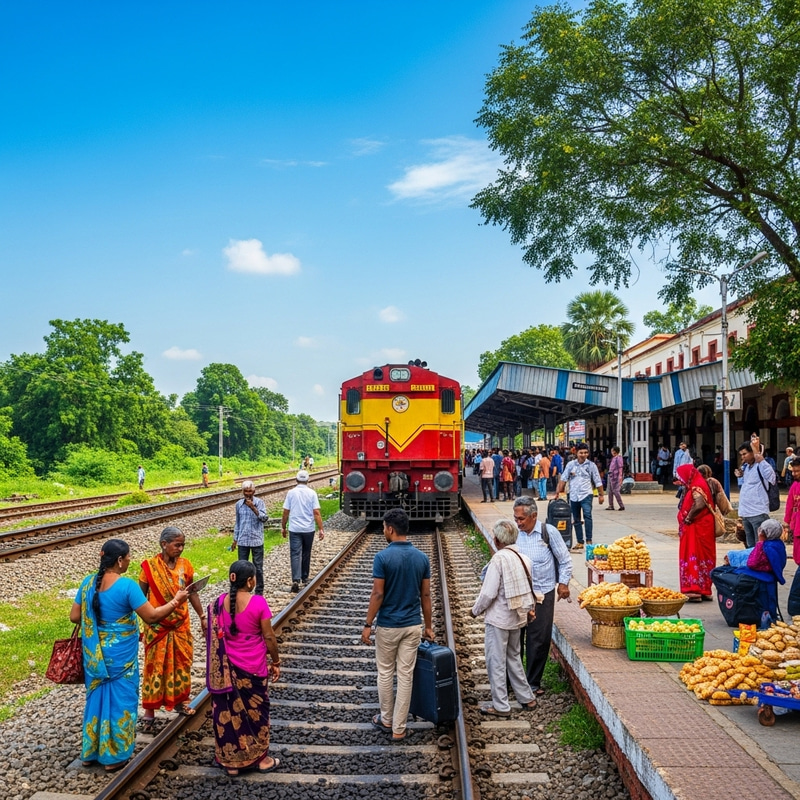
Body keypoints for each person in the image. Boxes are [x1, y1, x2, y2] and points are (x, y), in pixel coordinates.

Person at [70, 539, 189, 771]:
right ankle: (114, 757)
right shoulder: (127, 587)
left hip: (94, 656)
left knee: (96, 700)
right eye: (127, 557)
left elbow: (75, 617)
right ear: (119, 560)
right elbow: (152, 616)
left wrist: (98, 622)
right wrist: (176, 601)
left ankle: (90, 752)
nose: (129, 561)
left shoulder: (87, 583)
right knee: (120, 701)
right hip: (120, 656)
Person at [361, 508, 433, 742]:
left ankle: (386, 719)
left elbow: (377, 594)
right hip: (412, 626)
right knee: (405, 675)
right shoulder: (422, 558)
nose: (384, 531)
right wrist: (428, 626)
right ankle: (399, 728)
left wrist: (368, 624)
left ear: (390, 529)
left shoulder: (382, 558)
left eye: (384, 528)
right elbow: (426, 596)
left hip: (389, 626)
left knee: (385, 672)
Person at [206, 560, 281, 776]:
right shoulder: (258, 603)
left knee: (228, 713)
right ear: (250, 581)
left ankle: (231, 763)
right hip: (253, 668)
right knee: (257, 713)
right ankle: (262, 759)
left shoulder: (217, 604)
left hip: (226, 670)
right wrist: (276, 661)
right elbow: (269, 637)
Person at [138, 526, 206, 731]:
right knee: (154, 668)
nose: (180, 549)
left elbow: (192, 592)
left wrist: (202, 616)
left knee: (181, 664)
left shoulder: (186, 565)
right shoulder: (150, 567)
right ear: (164, 544)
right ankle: (149, 712)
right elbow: (140, 597)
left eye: (182, 545)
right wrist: (147, 619)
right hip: (157, 626)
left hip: (180, 625)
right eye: (177, 545)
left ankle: (180, 701)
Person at [470, 519, 539, 716]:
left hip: (499, 619)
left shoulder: (499, 559)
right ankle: (527, 698)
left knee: (496, 661)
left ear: (498, 540)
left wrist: (475, 611)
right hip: (517, 617)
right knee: (514, 658)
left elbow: (488, 594)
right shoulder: (524, 558)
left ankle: (500, 705)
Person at [512, 496, 572, 696]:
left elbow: (565, 560)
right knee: (515, 639)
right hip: (518, 594)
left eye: (521, 519)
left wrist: (563, 583)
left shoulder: (548, 532)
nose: (518, 523)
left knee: (538, 639)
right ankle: (514, 681)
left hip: (542, 594)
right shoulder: (514, 534)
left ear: (534, 516)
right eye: (516, 519)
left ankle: (532, 682)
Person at [727, 519, 787, 624]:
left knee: (737, 571)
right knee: (771, 599)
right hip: (771, 576)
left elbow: (752, 563)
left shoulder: (763, 546)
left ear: (764, 533)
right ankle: (772, 616)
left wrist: (760, 542)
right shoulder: (779, 544)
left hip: (762, 576)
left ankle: (764, 620)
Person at [675, 464, 717, 602]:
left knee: (694, 554)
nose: (681, 480)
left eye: (682, 477)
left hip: (697, 527)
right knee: (703, 556)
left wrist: (688, 518)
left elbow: (699, 504)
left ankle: (694, 589)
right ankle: (705, 589)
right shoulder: (698, 484)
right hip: (702, 526)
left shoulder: (696, 485)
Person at [555, 443, 605, 551]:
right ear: (576, 453)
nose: (583, 455)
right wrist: (558, 492)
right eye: (581, 452)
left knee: (587, 515)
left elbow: (597, 480)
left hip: (586, 494)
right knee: (576, 519)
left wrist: (601, 495)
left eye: (585, 452)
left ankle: (589, 540)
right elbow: (563, 479)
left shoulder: (591, 465)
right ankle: (580, 541)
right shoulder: (570, 465)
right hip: (573, 495)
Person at [281, 470, 325, 593]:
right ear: (307, 480)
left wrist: (283, 526)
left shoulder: (291, 493)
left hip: (294, 529)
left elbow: (285, 512)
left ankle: (296, 579)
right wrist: (321, 529)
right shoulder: (312, 493)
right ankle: (305, 577)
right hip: (308, 529)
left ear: (296, 480)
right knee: (306, 552)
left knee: (295, 553)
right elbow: (316, 512)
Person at [734, 434, 777, 548]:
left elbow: (771, 477)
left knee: (760, 546)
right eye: (741, 455)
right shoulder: (747, 468)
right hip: (746, 514)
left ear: (752, 452)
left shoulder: (761, 466)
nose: (742, 457)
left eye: (745, 454)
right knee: (750, 546)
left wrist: (757, 451)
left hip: (758, 513)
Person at [233, 481, 268, 595]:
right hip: (243, 540)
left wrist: (253, 507)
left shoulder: (259, 503)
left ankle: (259, 591)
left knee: (258, 567)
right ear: (242, 491)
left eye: (250, 491)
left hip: (256, 540)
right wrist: (235, 539)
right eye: (245, 491)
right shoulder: (239, 504)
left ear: (254, 491)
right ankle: (242, 590)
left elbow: (264, 518)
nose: (248, 493)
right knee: (242, 567)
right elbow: (238, 522)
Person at [783, 459, 800, 615]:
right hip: (797, 526)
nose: (794, 473)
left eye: (797, 471)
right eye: (793, 471)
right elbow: (789, 505)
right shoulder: (794, 485)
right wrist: (787, 524)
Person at [606, 446, 625, 511]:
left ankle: (621, 505)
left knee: (616, 491)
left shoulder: (619, 458)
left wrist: (620, 477)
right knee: (610, 491)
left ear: (614, 451)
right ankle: (611, 505)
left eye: (612, 451)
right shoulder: (614, 458)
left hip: (615, 476)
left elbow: (620, 468)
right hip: (611, 475)